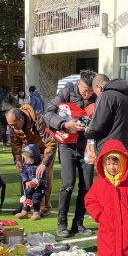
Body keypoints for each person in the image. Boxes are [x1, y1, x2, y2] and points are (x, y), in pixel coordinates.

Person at [44, 69, 97, 237]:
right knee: (67, 184)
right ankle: (61, 223)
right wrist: (65, 125)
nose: (87, 94)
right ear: (78, 84)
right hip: (66, 144)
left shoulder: (98, 96)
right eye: (84, 90)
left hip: (87, 146)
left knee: (86, 185)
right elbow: (48, 113)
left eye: (91, 91)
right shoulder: (66, 91)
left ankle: (79, 223)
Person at [6, 105, 57, 217]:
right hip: (28, 151)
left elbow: (51, 142)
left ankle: (44, 207)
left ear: (22, 119)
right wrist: (18, 159)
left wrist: (44, 163)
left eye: (14, 124)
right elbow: (15, 143)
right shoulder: (13, 124)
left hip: (44, 149)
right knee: (26, 178)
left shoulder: (39, 120)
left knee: (43, 178)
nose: (12, 127)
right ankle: (26, 205)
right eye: (10, 125)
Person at [85, 74, 128, 158]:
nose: (97, 96)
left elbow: (97, 126)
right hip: (126, 153)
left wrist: (88, 131)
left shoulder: (105, 96)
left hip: (109, 153)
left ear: (98, 87)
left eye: (96, 93)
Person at [14, 144, 48, 221]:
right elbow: (23, 173)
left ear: (34, 158)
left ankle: (36, 213)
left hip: (38, 188)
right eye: (24, 159)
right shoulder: (25, 165)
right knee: (27, 197)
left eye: (27, 159)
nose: (25, 161)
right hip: (29, 187)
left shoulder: (40, 167)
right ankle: (24, 212)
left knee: (35, 199)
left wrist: (36, 182)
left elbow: (44, 180)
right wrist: (26, 181)